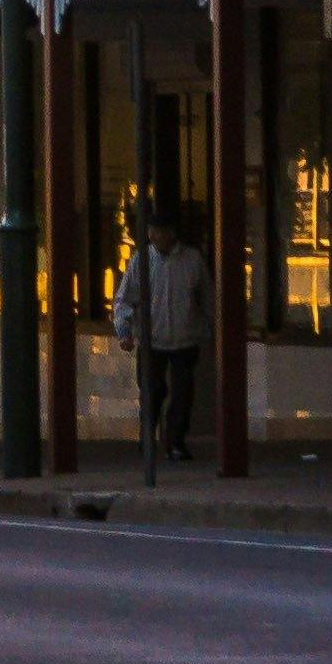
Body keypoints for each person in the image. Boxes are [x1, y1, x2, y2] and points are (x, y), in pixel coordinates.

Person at [116, 199, 212, 477]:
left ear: (173, 233)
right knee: (152, 393)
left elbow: (206, 297)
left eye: (162, 230)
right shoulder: (141, 261)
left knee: (182, 395)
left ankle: (176, 442)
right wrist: (124, 330)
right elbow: (124, 299)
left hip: (184, 338)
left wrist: (207, 328)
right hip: (151, 340)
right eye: (153, 231)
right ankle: (147, 438)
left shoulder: (192, 260)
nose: (157, 236)